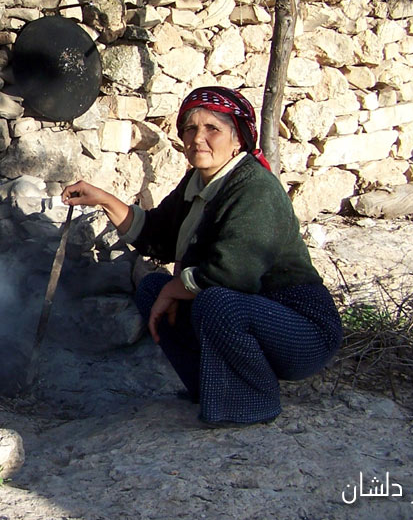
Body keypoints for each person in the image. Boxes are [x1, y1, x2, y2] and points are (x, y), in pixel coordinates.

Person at [61, 86, 342, 426]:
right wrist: (104, 200)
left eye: (212, 129)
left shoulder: (255, 188)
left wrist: (173, 289)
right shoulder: (198, 182)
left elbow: (234, 273)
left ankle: (250, 404)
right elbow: (157, 236)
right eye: (190, 128)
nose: (198, 139)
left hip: (301, 330)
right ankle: (211, 389)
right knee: (152, 289)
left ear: (237, 139)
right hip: (251, 313)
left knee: (214, 302)